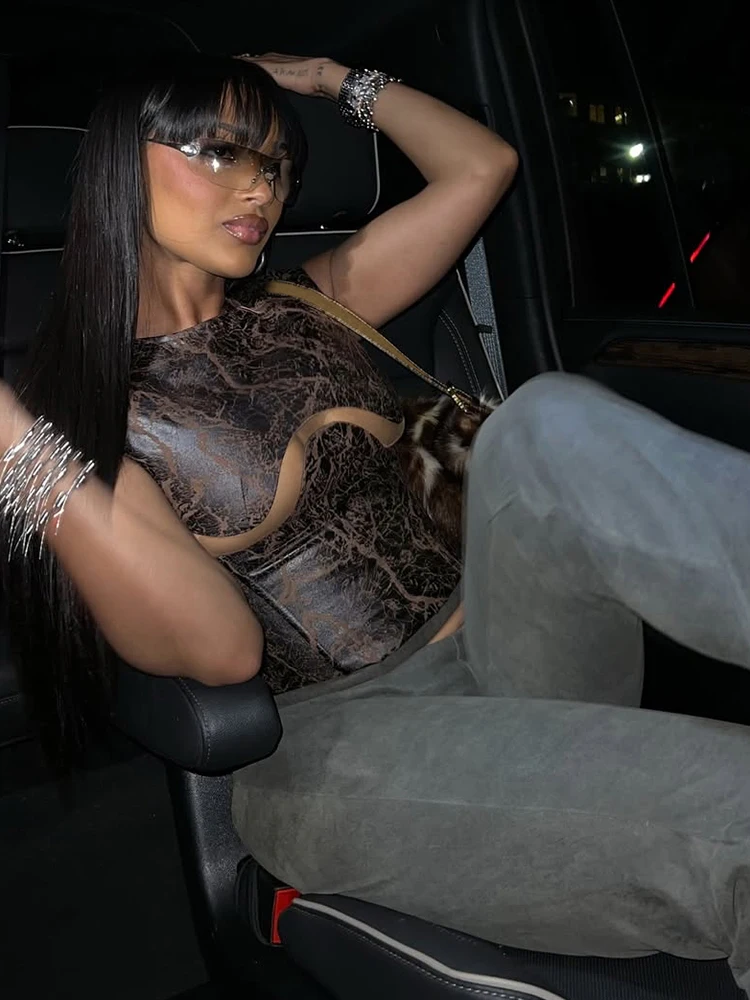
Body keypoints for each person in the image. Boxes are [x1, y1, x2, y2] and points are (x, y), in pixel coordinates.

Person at [0, 51, 748, 993]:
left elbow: (484, 166)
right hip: (336, 751)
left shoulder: (312, 304)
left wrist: (326, 77)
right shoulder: (86, 421)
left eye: (276, 164)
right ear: (122, 160)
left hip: (501, 648)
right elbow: (222, 653)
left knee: (548, 419)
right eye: (221, 151)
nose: (260, 187)